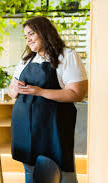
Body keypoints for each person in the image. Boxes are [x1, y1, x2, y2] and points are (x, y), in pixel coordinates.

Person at [8, 16, 88, 183]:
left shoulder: (67, 56)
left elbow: (76, 93)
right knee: (30, 170)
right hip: (24, 126)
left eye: (31, 34)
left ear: (44, 32)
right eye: (25, 36)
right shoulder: (26, 60)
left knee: (60, 171)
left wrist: (40, 91)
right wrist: (14, 89)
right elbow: (11, 91)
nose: (28, 40)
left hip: (53, 125)